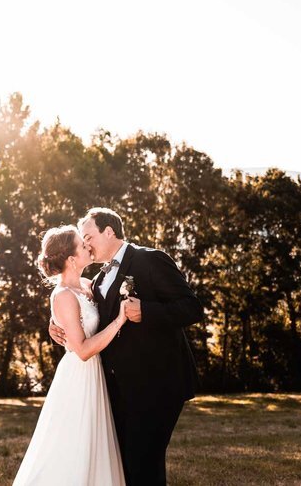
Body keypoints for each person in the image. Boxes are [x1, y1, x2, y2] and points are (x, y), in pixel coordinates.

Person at [50, 207, 203, 486]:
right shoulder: (96, 281)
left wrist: (147, 310)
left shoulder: (151, 260)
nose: (85, 244)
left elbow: (192, 308)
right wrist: (55, 323)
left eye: (89, 236)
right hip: (119, 390)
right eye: (82, 240)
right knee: (125, 466)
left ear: (109, 232)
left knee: (145, 464)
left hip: (158, 383)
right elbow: (81, 314)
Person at [13, 225, 128, 486]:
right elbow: (84, 350)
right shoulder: (62, 295)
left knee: (95, 442)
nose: (88, 245)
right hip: (79, 375)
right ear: (72, 259)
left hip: (97, 373)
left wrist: (55, 325)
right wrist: (120, 320)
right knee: (73, 444)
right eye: (82, 243)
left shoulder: (89, 285)